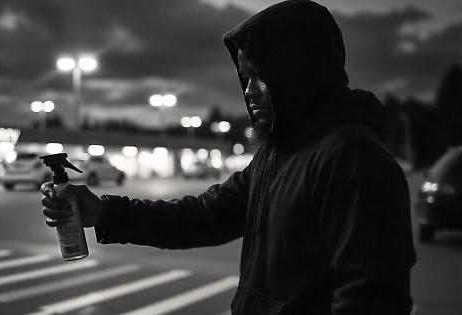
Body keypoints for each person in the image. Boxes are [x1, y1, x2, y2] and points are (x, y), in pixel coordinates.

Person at [41, 0, 416, 314]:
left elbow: (371, 299)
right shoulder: (278, 153)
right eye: (245, 78)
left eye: (260, 76)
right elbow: (204, 217)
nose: (249, 92)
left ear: (298, 71)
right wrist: (104, 212)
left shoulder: (353, 159)